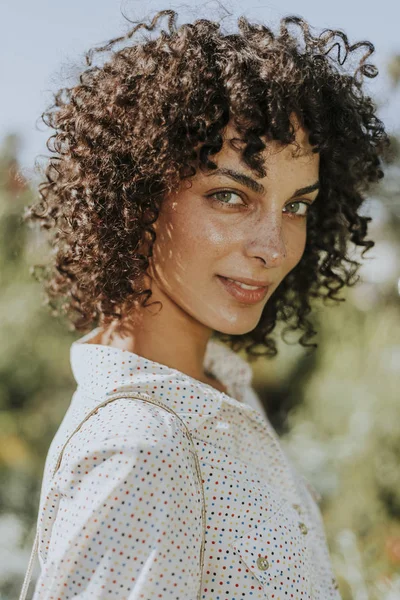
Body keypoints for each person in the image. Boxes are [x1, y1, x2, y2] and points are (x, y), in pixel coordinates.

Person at [22, 8, 389, 599]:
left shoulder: (219, 394)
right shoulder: (140, 449)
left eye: (296, 206)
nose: (274, 246)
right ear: (137, 195)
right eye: (229, 195)